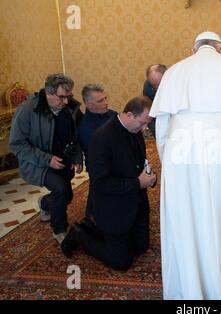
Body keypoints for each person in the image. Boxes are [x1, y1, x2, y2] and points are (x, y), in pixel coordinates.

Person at [150, 31, 221, 300]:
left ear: (194, 50)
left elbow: (162, 125)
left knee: (188, 217)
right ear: (220, 48)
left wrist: (167, 157)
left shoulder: (175, 71)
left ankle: (191, 290)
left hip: (181, 151)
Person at [61, 96, 156, 271]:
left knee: (141, 248)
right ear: (129, 115)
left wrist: (150, 176)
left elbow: (140, 163)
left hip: (136, 202)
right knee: (121, 262)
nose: (145, 128)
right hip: (113, 208)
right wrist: (137, 183)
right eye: (143, 123)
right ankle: (80, 235)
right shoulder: (102, 138)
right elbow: (100, 184)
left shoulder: (135, 131)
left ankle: (99, 231)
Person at [9, 74, 83, 244]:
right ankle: (59, 231)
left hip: (63, 161)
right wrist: (47, 159)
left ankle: (45, 203)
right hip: (38, 163)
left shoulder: (69, 107)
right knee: (60, 190)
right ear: (48, 93)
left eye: (69, 96)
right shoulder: (27, 110)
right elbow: (17, 144)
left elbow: (76, 136)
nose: (66, 102)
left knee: (66, 196)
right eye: (62, 97)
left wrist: (77, 156)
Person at [77, 84, 117, 218]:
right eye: (101, 101)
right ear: (88, 104)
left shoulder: (111, 114)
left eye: (105, 98)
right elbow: (99, 155)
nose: (106, 103)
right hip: (101, 167)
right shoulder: (85, 127)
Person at [143, 64, 167, 138]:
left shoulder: (176, 82)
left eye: (160, 85)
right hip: (156, 118)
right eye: (155, 86)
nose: (158, 89)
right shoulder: (147, 85)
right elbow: (147, 105)